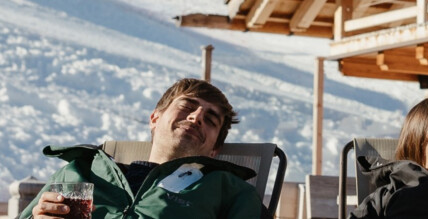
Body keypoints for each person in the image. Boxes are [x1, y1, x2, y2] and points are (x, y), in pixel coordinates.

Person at [26, 78, 262, 219]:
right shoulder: (82, 170)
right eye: (187, 106)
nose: (196, 117)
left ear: (214, 150)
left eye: (211, 120)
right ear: (155, 119)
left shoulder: (227, 190)